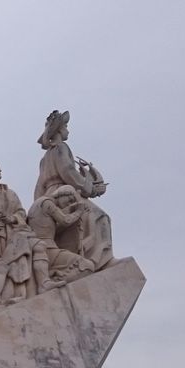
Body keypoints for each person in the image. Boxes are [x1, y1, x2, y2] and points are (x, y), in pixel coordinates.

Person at [0, 160, 58, 306]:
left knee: (39, 245)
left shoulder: (10, 194)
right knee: (6, 265)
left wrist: (12, 218)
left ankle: (44, 282)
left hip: (15, 232)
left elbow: (21, 212)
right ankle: (2, 298)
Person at [34, 110, 114, 270]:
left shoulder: (44, 158)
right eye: (66, 126)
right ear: (59, 130)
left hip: (50, 196)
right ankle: (100, 263)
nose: (68, 130)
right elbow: (69, 172)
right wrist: (91, 189)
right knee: (101, 217)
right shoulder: (61, 148)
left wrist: (40, 205)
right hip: (65, 193)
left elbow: (39, 187)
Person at [26, 185, 97, 283]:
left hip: (43, 248)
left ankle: (56, 279)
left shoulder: (40, 203)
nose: (69, 203)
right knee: (87, 266)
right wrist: (79, 211)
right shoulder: (47, 202)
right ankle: (58, 282)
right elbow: (65, 221)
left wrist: (72, 208)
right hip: (48, 249)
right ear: (62, 194)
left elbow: (52, 227)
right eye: (70, 200)